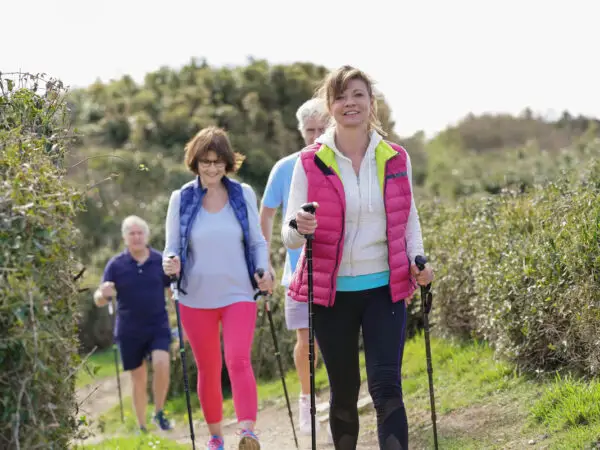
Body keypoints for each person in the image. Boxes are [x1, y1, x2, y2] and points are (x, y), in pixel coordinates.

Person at [281, 65, 434, 450]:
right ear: (330, 106)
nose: (350, 103)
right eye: (341, 96)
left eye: (358, 95)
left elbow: (409, 216)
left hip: (385, 286)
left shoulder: (395, 157)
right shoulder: (309, 160)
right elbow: (288, 237)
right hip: (333, 294)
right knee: (345, 391)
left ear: (371, 102)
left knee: (387, 388)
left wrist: (418, 259)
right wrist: (300, 226)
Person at [162, 126, 273, 450]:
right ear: (195, 162)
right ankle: (215, 437)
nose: (212, 168)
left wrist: (263, 271)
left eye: (218, 162)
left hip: (239, 291)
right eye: (205, 162)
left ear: (227, 163)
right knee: (208, 368)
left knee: (238, 359)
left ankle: (247, 433)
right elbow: (171, 246)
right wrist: (171, 262)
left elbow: (256, 240)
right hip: (195, 297)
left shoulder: (243, 194)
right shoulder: (180, 198)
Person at [259, 97, 330, 435]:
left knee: (334, 341)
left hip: (338, 270)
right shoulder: (286, 166)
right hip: (297, 271)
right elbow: (267, 212)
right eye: (309, 130)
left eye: (322, 128)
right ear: (300, 131)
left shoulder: (342, 162)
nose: (316, 136)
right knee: (306, 339)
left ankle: (335, 402)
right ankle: (308, 403)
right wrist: (264, 260)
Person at [93, 215, 173, 433]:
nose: (136, 237)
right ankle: (142, 426)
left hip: (158, 325)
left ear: (146, 236)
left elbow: (173, 292)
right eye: (132, 234)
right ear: (125, 238)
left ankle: (159, 412)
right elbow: (100, 299)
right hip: (129, 329)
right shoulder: (116, 265)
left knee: (162, 364)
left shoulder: (160, 260)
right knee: (138, 379)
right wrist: (103, 293)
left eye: (140, 233)